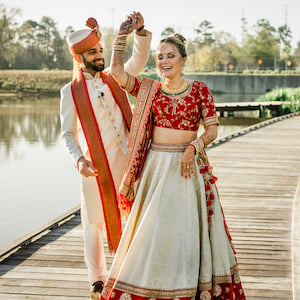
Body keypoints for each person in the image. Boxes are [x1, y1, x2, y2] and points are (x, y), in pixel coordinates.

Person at [100, 18, 246, 300]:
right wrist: (122, 35)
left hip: (188, 170)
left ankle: (186, 287)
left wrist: (193, 147)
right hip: (156, 168)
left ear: (183, 60)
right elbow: (116, 73)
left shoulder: (200, 89)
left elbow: (212, 129)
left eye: (170, 56)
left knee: (185, 232)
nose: (165, 61)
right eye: (160, 57)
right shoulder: (149, 89)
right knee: (152, 232)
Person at [60, 12, 151, 300]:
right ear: (79, 58)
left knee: (136, 216)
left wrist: (141, 31)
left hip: (130, 160)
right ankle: (97, 280)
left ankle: (133, 270)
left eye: (100, 50)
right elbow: (67, 134)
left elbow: (137, 61)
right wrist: (78, 160)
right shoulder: (70, 92)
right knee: (94, 224)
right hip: (95, 165)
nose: (100, 56)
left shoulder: (115, 76)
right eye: (93, 53)